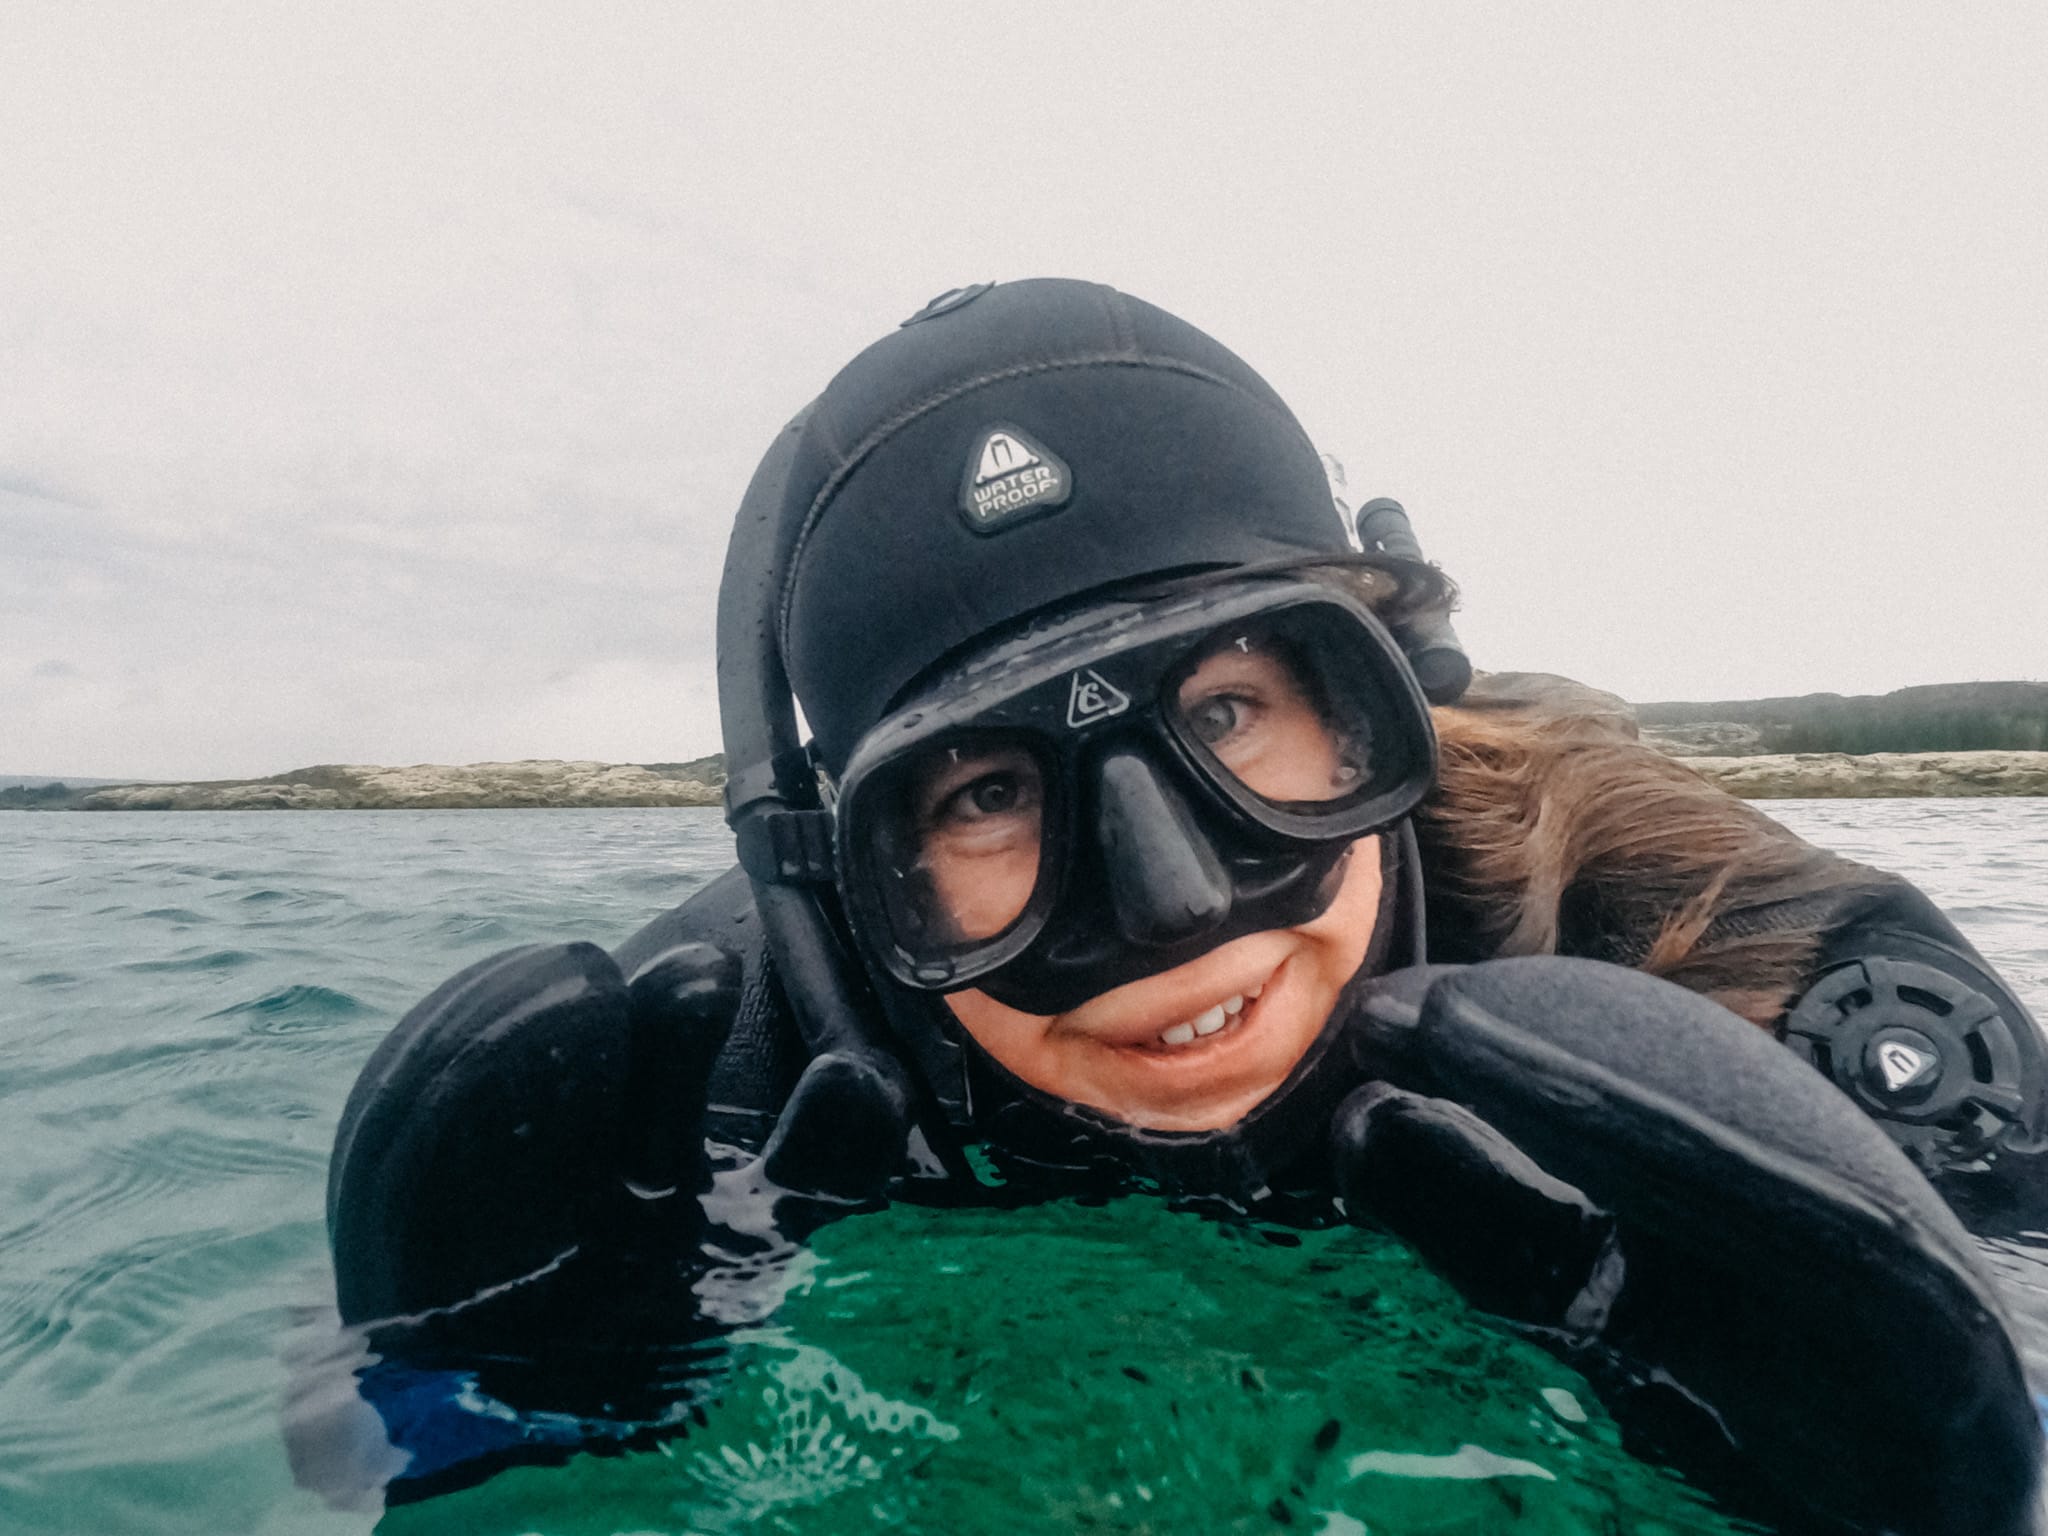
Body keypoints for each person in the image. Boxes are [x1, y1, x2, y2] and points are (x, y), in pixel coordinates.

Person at [315, 279, 2047, 1533]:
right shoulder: (734, 1057)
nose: (1168, 902)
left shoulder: (1705, 935)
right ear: (846, 868)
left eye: (1228, 714)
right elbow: (329, 1472)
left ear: (1387, 701)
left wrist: (1965, 1456)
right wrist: (475, 1418)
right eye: (987, 794)